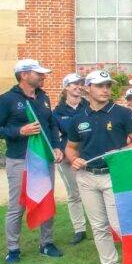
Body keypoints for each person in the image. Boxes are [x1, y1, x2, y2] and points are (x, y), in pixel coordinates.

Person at [64, 70, 132, 264]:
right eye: (100, 86)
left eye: (108, 85)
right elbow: (70, 147)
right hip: (87, 177)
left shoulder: (122, 113)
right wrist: (74, 159)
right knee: (99, 226)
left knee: (120, 224)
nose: (105, 90)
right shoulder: (78, 118)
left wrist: (121, 151)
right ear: (87, 88)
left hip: (113, 175)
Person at [0, 59, 63, 263]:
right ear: (24, 75)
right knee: (17, 206)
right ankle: (13, 249)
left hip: (44, 158)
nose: (43, 76)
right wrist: (20, 131)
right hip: (19, 160)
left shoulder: (43, 97)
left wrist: (56, 146)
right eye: (39, 73)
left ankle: (47, 243)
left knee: (45, 199)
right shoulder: (5, 100)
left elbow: (51, 125)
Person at [53, 72, 89, 245]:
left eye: (80, 83)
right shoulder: (57, 112)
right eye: (74, 84)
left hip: (90, 155)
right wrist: (62, 153)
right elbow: (55, 137)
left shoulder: (89, 106)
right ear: (66, 87)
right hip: (68, 159)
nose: (78, 86)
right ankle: (79, 229)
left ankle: (104, 226)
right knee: (74, 194)